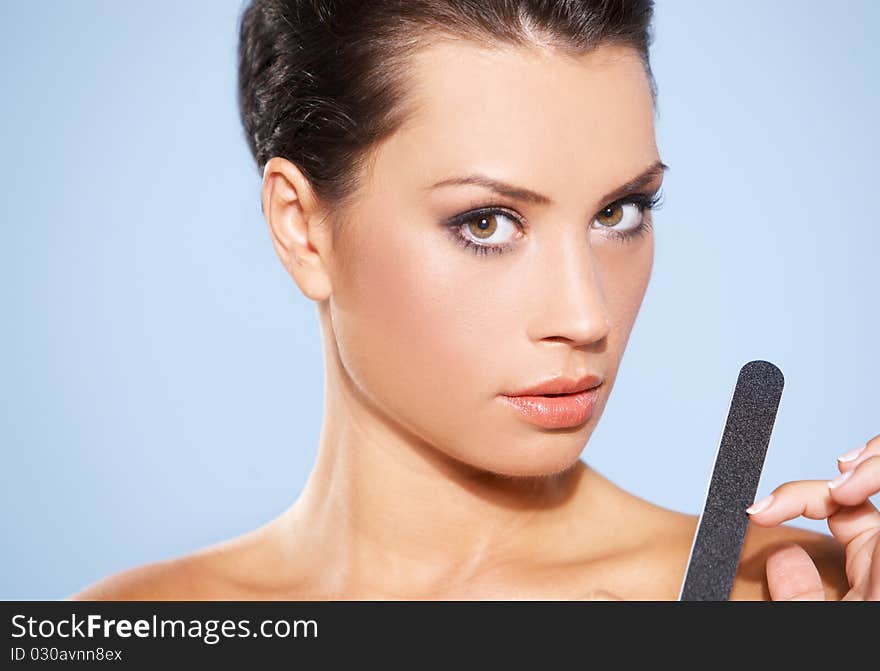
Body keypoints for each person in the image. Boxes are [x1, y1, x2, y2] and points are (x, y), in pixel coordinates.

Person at [70, 0, 878, 601]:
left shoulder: (794, 596)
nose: (585, 316)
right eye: (487, 223)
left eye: (618, 211)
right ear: (304, 229)